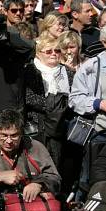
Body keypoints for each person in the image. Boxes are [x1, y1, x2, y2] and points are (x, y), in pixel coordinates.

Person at [69, 21, 106, 172]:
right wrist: (99, 103)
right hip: (99, 136)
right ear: (105, 43)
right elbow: (74, 100)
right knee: (92, 182)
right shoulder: (91, 67)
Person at [24, 33, 73, 168]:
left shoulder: (67, 71)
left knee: (59, 162)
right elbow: (29, 97)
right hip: (38, 123)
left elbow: (74, 95)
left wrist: (60, 108)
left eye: (57, 50)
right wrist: (53, 105)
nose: (53, 54)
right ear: (38, 53)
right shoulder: (31, 70)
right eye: (48, 51)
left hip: (61, 123)